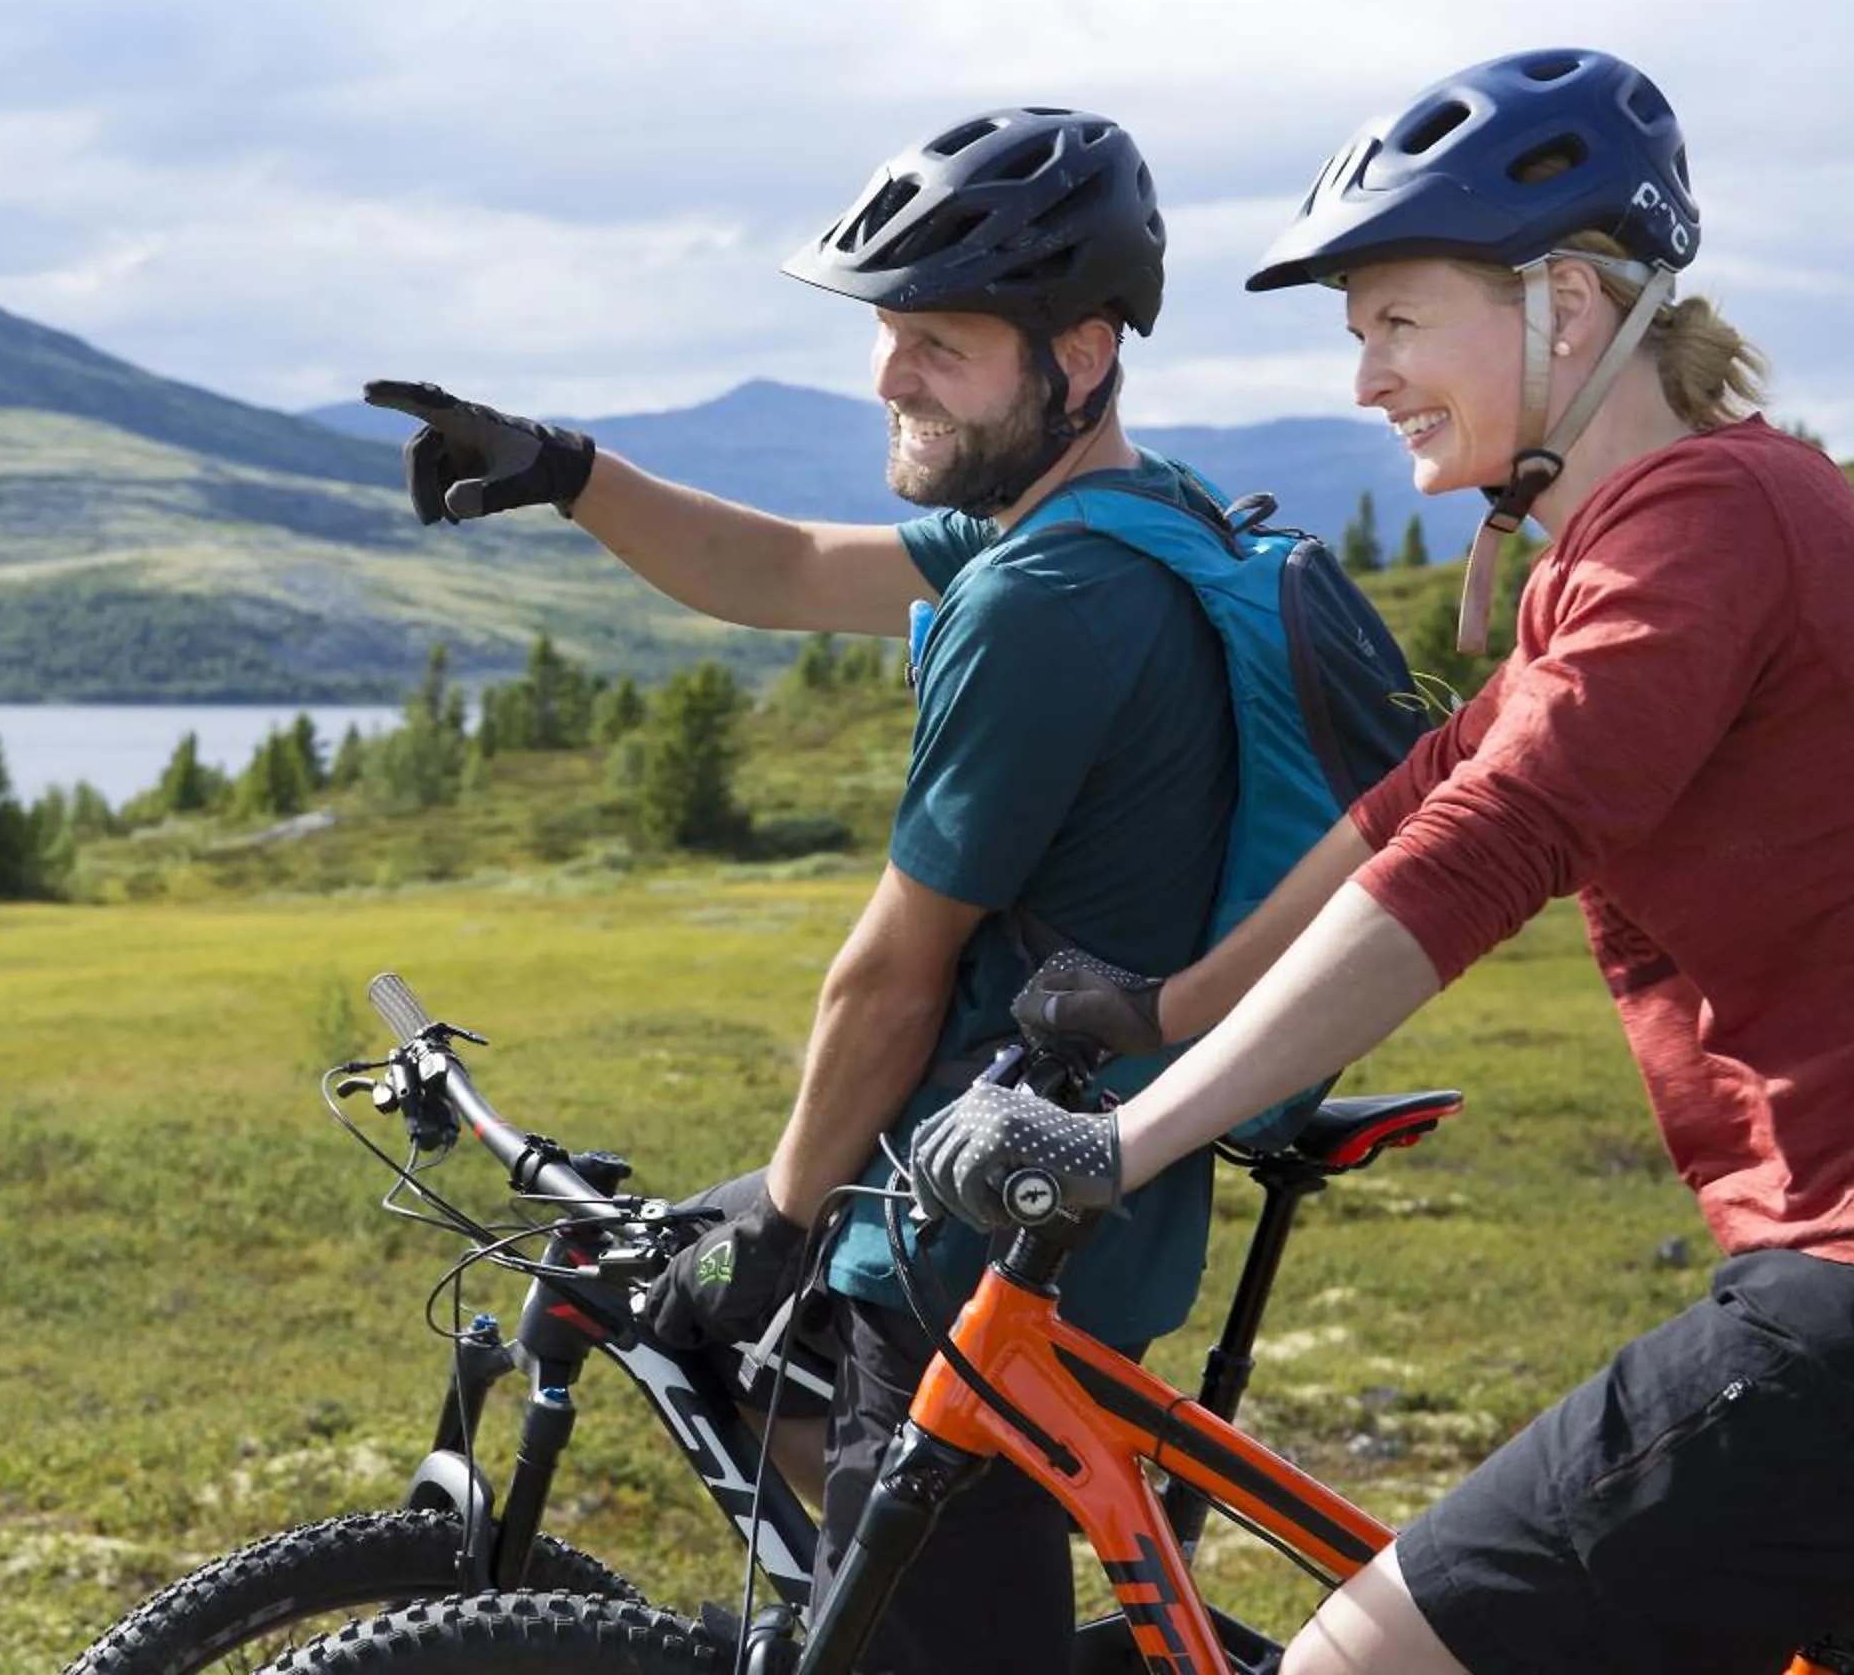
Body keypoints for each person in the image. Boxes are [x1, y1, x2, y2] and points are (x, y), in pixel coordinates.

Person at [916, 47, 1854, 1674]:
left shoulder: (1712, 523)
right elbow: (1433, 789)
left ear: (1566, 306)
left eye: (1396, 322)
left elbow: (1494, 846)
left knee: (1360, 1661)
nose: (1367, 379)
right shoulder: (1647, 540)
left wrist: (1127, 1145)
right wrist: (1164, 1007)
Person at [368, 105, 1260, 1669]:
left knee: (919, 1613)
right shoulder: (1110, 518)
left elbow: (893, 970)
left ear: (1087, 351)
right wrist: (570, 471)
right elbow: (779, 569)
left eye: (948, 342)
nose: (896, 375)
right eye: (892, 331)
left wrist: (781, 1218)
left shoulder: (1048, 599)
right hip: (1025, 1187)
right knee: (728, 1353)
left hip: (970, 1241)